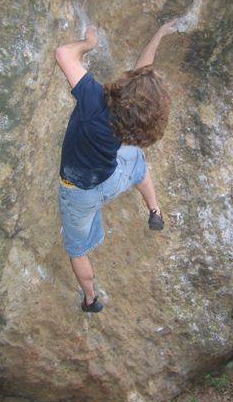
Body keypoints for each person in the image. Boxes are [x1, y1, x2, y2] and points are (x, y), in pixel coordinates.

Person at [55, 17, 179, 312]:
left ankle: (91, 299)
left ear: (126, 87)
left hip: (79, 193)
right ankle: (155, 211)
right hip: (112, 178)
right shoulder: (129, 128)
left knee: (76, 249)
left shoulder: (93, 100)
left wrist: (88, 43)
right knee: (136, 161)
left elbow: (63, 54)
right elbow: (144, 68)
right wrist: (159, 33)